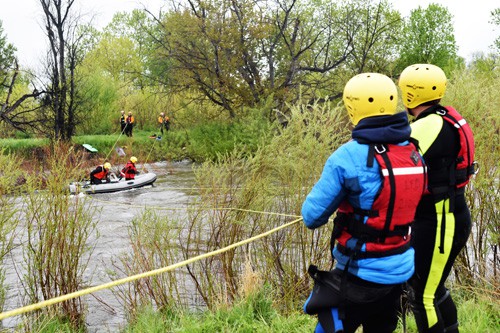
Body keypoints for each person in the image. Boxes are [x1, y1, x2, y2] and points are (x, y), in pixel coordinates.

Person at [301, 73, 427, 333]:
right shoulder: (415, 153)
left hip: (359, 276)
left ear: (352, 107)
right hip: (401, 270)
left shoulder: (347, 156)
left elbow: (311, 217)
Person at [398, 64, 476, 333]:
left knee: (423, 296)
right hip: (447, 216)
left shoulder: (429, 124)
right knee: (431, 287)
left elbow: (395, 164)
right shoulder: (443, 117)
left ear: (409, 94)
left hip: (441, 221)